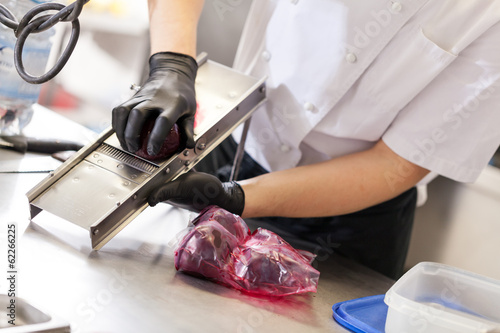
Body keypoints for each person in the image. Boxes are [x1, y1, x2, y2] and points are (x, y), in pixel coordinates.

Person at [112, 0, 500, 279]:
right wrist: (172, 63)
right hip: (237, 148)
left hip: (352, 221)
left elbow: (396, 165)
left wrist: (236, 197)